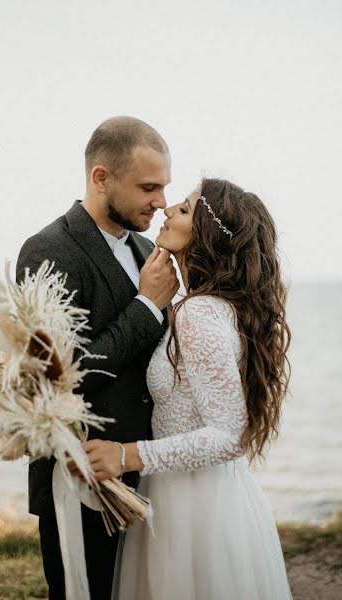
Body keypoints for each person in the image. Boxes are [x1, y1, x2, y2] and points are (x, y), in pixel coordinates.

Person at [82, 178, 293, 599]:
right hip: (205, 494)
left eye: (182, 209)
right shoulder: (208, 307)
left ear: (207, 236)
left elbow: (230, 435)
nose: (165, 210)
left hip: (195, 508)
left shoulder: (198, 314)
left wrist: (126, 455)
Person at [15, 116, 179, 600]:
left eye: (164, 187)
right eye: (148, 187)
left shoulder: (149, 249)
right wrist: (147, 306)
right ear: (101, 177)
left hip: (149, 474)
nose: (162, 202)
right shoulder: (48, 250)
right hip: (83, 484)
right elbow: (61, 377)